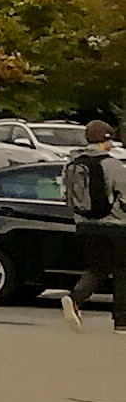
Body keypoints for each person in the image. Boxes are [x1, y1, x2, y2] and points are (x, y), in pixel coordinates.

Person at [64, 119, 124, 330]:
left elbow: (69, 198)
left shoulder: (72, 165)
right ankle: (122, 322)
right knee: (122, 272)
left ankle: (75, 298)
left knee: (97, 268)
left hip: (85, 227)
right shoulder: (113, 165)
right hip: (115, 227)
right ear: (106, 141)